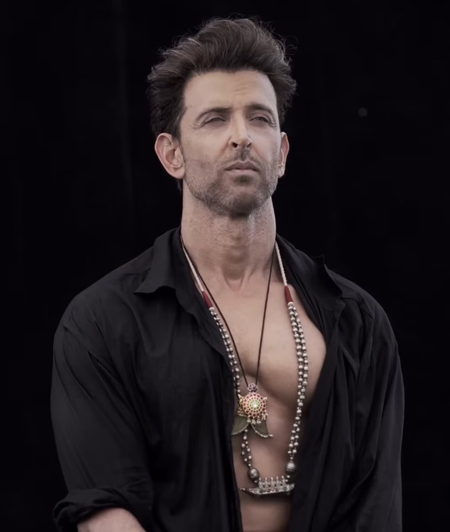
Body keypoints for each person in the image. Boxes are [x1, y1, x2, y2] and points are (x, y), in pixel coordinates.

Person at [50, 16, 404, 532]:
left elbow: (375, 508)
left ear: (282, 153)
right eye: (215, 119)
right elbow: (105, 511)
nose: (241, 137)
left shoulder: (358, 323)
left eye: (259, 118)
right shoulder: (102, 322)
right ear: (171, 154)